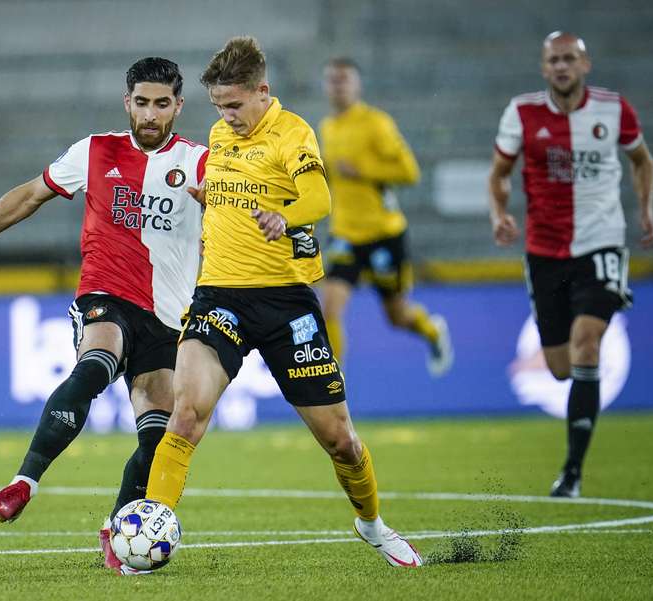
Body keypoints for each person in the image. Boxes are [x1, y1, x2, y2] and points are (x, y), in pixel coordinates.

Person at [0, 57, 207, 574]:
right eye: (141, 102)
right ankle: (24, 482)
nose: (150, 113)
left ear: (178, 106)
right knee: (97, 360)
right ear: (128, 102)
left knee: (158, 438)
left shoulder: (201, 164)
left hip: (167, 317)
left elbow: (242, 214)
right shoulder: (94, 151)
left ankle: (118, 529)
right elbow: (29, 196)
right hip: (106, 294)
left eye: (162, 104)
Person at [143, 37, 423, 568]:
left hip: (286, 303)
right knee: (185, 413)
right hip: (219, 296)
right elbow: (234, 192)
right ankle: (153, 529)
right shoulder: (221, 134)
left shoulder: (293, 132)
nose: (225, 117)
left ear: (262, 92)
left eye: (234, 105)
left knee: (340, 440)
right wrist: (212, 201)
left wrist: (286, 217)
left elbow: (319, 197)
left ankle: (373, 525)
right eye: (219, 107)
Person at [489, 32, 653, 497]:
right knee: (561, 367)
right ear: (544, 69)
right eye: (553, 60)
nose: (561, 66)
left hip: (601, 244)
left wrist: (645, 210)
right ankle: (574, 463)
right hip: (544, 252)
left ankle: (573, 472)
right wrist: (499, 213)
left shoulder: (613, 109)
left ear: (585, 64)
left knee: (588, 343)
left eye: (569, 58)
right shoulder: (522, 112)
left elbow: (642, 161)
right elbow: (499, 174)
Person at [319, 57, 453, 376]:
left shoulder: (376, 124)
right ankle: (334, 385)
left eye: (344, 80)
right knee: (329, 307)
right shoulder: (327, 127)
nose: (338, 86)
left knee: (397, 316)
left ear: (357, 85)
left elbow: (409, 172)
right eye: (332, 80)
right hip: (345, 234)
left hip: (383, 234)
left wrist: (362, 171)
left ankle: (432, 331)